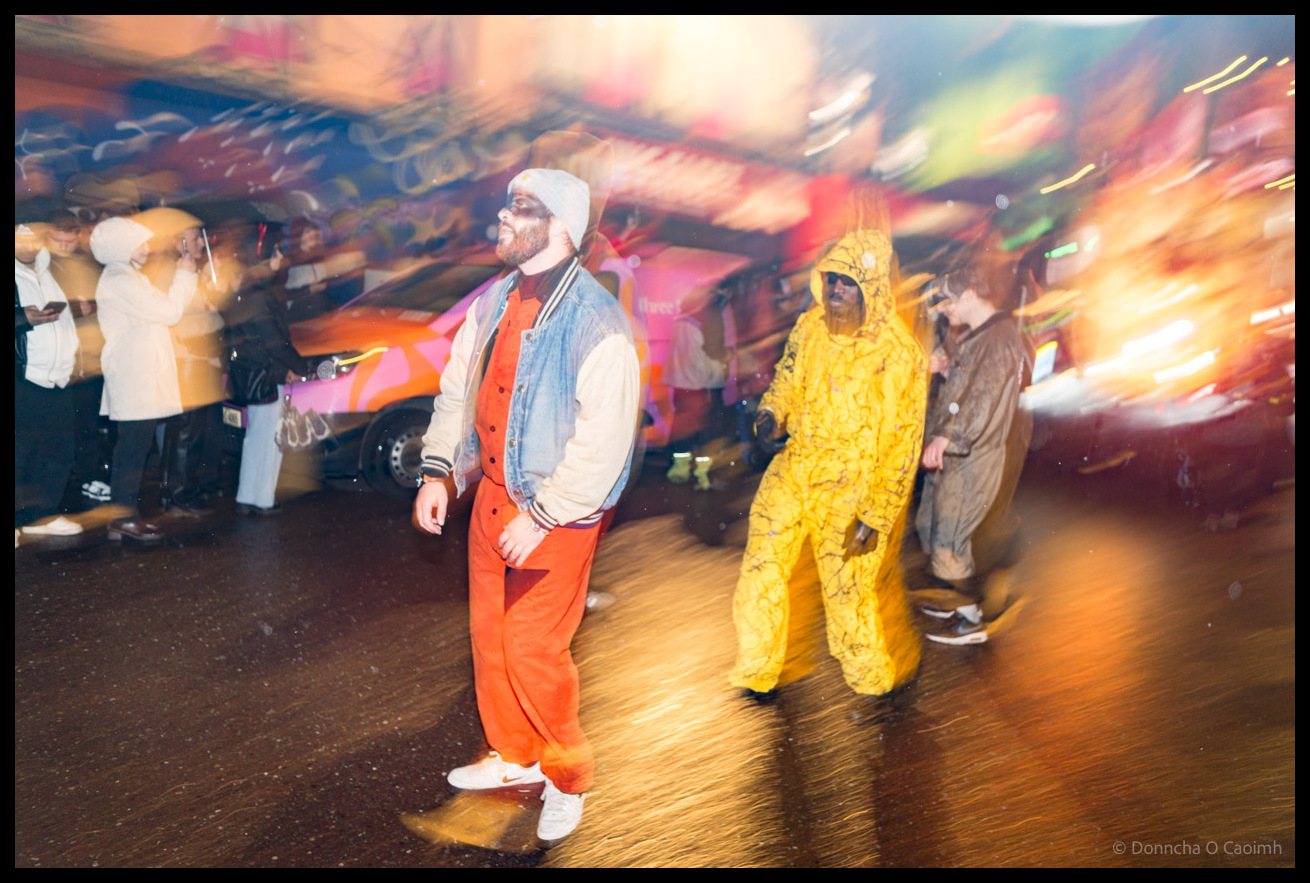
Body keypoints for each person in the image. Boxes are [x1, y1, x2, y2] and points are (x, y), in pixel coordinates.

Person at [413, 168, 640, 843]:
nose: (503, 218)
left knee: (532, 647)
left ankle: (567, 776)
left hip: (559, 515)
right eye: (506, 205)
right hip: (489, 500)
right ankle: (514, 753)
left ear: (562, 228)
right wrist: (438, 472)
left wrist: (543, 515)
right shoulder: (494, 300)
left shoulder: (598, 320)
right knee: (489, 634)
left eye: (522, 208)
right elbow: (458, 391)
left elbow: (605, 442)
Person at [730, 226, 927, 698]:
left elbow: (903, 442)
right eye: (831, 279)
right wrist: (770, 414)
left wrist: (876, 514)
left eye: (848, 281)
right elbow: (788, 378)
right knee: (761, 566)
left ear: (870, 289)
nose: (836, 290)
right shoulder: (810, 327)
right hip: (796, 466)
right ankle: (758, 666)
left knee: (847, 591)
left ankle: (875, 682)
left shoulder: (899, 355)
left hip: (852, 483)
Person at [915, 266, 1033, 645]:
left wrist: (949, 438)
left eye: (947, 302)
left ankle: (973, 618)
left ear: (968, 296)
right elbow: (965, 395)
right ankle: (958, 603)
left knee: (950, 539)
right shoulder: (974, 337)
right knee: (935, 529)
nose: (943, 311)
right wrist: (948, 373)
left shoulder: (999, 338)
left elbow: (981, 402)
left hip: (973, 458)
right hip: (957, 457)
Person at [90, 216, 199, 542]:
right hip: (134, 375)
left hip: (138, 374)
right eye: (140, 242)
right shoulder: (120, 279)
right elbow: (168, 312)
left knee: (134, 448)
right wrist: (184, 276)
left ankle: (124, 516)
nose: (148, 248)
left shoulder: (127, 277)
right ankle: (122, 517)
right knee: (133, 449)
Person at [148, 223, 235, 516]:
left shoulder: (196, 273)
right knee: (185, 429)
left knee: (201, 427)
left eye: (202, 237)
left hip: (204, 357)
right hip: (188, 357)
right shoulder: (171, 273)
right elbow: (176, 315)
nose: (202, 242)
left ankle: (187, 487)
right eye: (195, 237)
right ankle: (177, 492)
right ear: (178, 242)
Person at [15, 220, 82, 541]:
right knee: (20, 453)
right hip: (23, 376)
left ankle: (41, 516)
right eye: (20, 239)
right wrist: (21, 318)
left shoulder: (50, 268)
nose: (27, 246)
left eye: (33, 239)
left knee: (57, 452)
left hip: (57, 377)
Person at [44, 208, 110, 505]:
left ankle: (87, 476)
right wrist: (77, 309)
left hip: (90, 359)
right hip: (61, 360)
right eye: (59, 241)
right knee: (61, 428)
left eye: (69, 241)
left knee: (86, 426)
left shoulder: (87, 264)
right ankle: (59, 483)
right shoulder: (45, 268)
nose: (65, 247)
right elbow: (42, 308)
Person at [664, 279, 738, 490]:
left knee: (684, 426)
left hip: (679, 379)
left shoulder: (686, 308)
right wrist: (730, 355)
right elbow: (714, 350)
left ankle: (679, 469)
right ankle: (704, 475)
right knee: (710, 430)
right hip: (704, 381)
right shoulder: (712, 309)